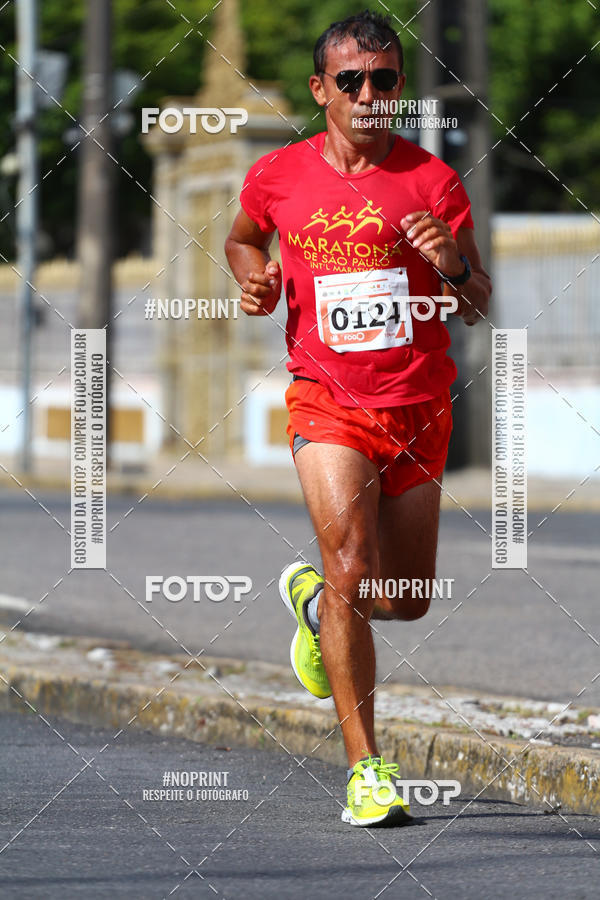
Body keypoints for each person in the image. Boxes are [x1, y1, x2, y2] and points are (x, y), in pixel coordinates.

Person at [225, 9, 491, 827]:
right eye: (352, 81)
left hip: (416, 405)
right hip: (328, 402)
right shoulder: (278, 175)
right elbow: (240, 238)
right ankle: (366, 768)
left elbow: (477, 301)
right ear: (321, 90)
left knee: (399, 597)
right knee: (351, 569)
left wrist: (448, 261)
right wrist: (256, 273)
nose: (369, 94)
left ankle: (311, 606)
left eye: (384, 80)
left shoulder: (432, 182)